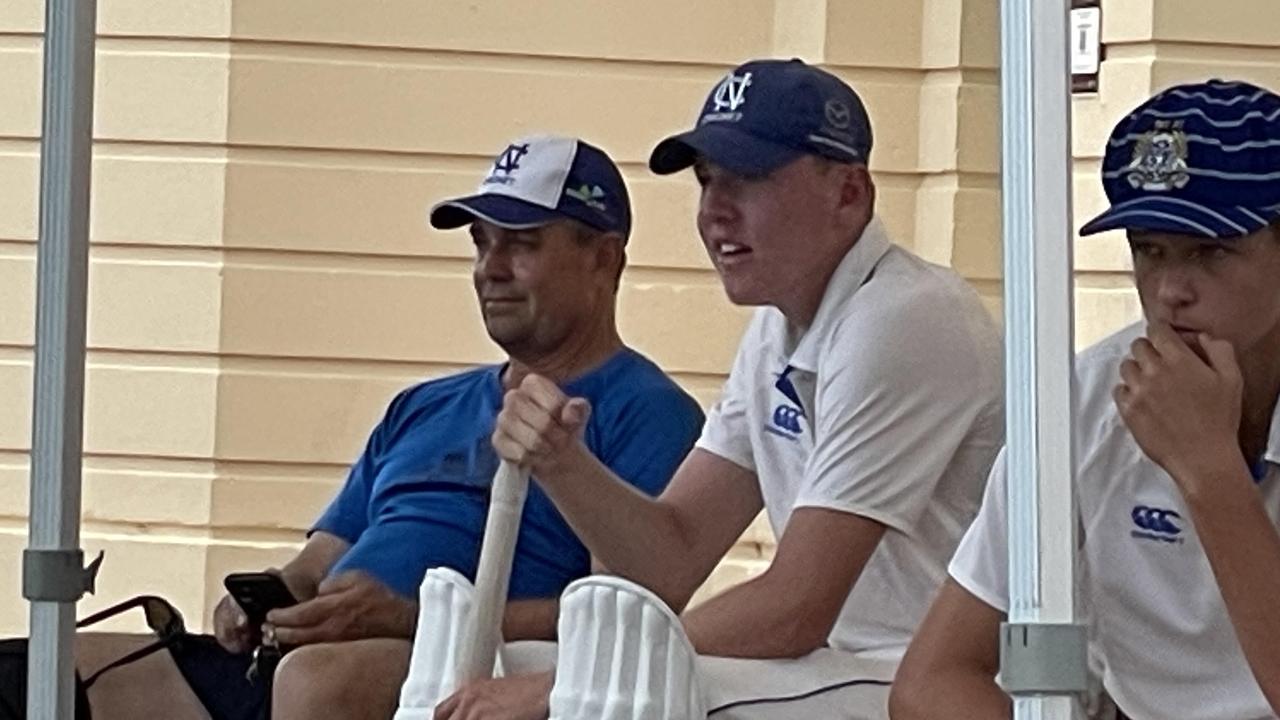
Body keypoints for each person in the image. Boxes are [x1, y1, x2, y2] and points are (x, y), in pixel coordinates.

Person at [437, 58, 1004, 720]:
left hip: (931, 679)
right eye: (708, 181)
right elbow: (670, 561)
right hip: (844, 667)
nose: (714, 211)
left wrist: (571, 683)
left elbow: (797, 607)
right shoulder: (781, 325)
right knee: (503, 672)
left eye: (750, 180)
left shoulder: (904, 317)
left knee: (617, 698)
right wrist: (563, 463)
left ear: (850, 193)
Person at [75, 134, 705, 720]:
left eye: (522, 243)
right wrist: (261, 601)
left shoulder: (647, 410)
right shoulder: (424, 404)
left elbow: (620, 619)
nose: (491, 267)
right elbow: (314, 565)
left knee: (315, 681)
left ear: (603, 259)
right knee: (53, 669)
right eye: (482, 243)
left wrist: (410, 620)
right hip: (298, 659)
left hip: (460, 669)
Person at [890, 79, 1280, 720]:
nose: (1170, 291)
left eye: (1211, 252)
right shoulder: (1082, 398)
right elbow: (933, 678)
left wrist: (1209, 471)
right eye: (1149, 250)